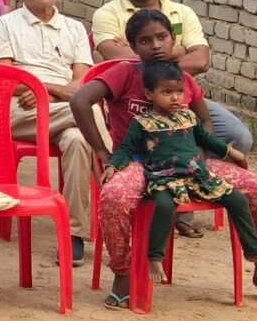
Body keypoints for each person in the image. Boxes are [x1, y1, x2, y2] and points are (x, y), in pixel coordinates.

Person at [73, 10, 257, 307]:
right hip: (137, 164)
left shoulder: (180, 78)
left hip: (187, 162)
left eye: (162, 37)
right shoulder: (125, 73)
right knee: (114, 198)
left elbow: (205, 122)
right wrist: (102, 152)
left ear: (173, 39)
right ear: (134, 47)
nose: (156, 45)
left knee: (252, 185)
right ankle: (123, 272)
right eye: (145, 40)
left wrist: (197, 155)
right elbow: (79, 100)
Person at [0, 0, 96, 262]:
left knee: (77, 140)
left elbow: (82, 81)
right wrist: (49, 89)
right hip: (21, 113)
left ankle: (72, 233)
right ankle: (115, 160)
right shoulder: (5, 25)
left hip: (63, 111)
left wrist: (44, 91)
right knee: (90, 115)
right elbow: (6, 80)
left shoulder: (73, 28)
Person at [92, 0, 251, 152]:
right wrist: (179, 50)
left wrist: (154, 61)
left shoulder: (182, 12)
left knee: (238, 136)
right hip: (133, 101)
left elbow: (201, 61)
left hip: (182, 97)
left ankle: (193, 176)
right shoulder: (107, 15)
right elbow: (125, 63)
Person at [107, 60, 257, 281]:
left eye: (179, 91)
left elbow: (205, 139)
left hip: (197, 175)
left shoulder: (188, 117)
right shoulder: (142, 123)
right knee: (165, 206)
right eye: (166, 92)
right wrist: (113, 165)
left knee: (236, 199)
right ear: (149, 94)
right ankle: (155, 258)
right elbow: (126, 149)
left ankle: (253, 251)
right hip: (163, 177)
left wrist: (231, 152)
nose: (175, 97)